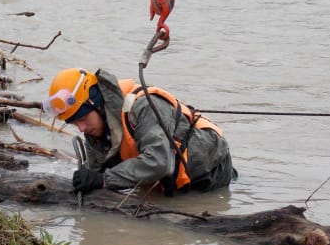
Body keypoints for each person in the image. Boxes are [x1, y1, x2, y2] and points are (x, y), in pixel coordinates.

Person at [42, 68, 237, 196]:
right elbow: (97, 171)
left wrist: (104, 180)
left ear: (97, 104)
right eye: (75, 123)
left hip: (209, 175)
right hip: (166, 179)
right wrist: (88, 180)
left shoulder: (142, 107)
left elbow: (159, 162)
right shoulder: (96, 125)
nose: (81, 129)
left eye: (83, 120)